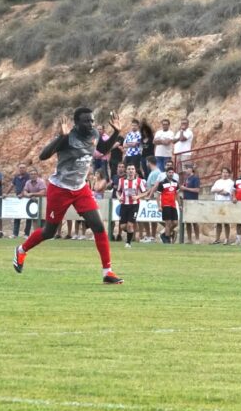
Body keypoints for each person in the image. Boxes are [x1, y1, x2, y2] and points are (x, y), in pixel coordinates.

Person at [13, 108, 122, 284]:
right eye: (87, 121)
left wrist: (116, 132)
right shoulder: (68, 137)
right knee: (49, 232)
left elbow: (102, 150)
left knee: (99, 227)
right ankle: (21, 250)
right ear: (76, 123)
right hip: (60, 189)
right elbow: (43, 155)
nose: (91, 124)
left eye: (92, 121)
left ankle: (107, 272)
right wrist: (61, 137)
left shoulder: (94, 133)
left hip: (80, 189)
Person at [146, 166, 181, 244]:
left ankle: (164, 235)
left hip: (173, 205)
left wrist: (180, 205)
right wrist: (159, 206)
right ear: (166, 173)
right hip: (165, 205)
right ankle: (167, 239)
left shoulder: (175, 183)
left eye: (172, 173)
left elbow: (177, 195)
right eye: (169, 172)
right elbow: (158, 196)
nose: (171, 174)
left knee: (175, 223)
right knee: (168, 222)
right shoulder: (162, 183)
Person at [116, 164, 146, 248]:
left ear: (135, 171)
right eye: (129, 169)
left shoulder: (139, 181)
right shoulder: (121, 180)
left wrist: (137, 197)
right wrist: (119, 197)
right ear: (126, 171)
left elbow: (145, 192)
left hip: (134, 205)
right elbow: (118, 191)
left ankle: (128, 243)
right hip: (124, 205)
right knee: (123, 226)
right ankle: (131, 232)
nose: (131, 171)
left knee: (129, 225)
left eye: (132, 169)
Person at [210, 168, 235, 244]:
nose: (224, 174)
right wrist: (220, 190)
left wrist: (218, 191)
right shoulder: (218, 181)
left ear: (229, 174)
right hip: (217, 203)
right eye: (223, 172)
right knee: (218, 222)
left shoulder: (230, 182)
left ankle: (227, 239)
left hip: (226, 203)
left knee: (226, 222)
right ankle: (217, 239)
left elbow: (226, 193)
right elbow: (212, 190)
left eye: (226, 172)